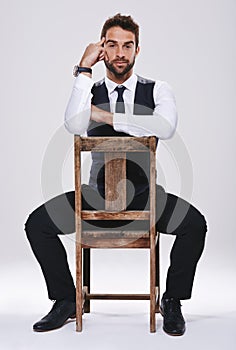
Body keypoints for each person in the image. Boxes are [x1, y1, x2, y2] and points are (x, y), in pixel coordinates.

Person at [25, 13, 207, 336]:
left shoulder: (159, 89)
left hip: (145, 200)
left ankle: (172, 300)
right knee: (37, 225)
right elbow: (73, 123)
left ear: (138, 50)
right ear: (102, 50)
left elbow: (164, 126)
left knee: (195, 225)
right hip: (95, 200)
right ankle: (67, 299)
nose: (121, 53)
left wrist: (103, 115)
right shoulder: (87, 90)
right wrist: (83, 68)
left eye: (128, 45)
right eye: (112, 45)